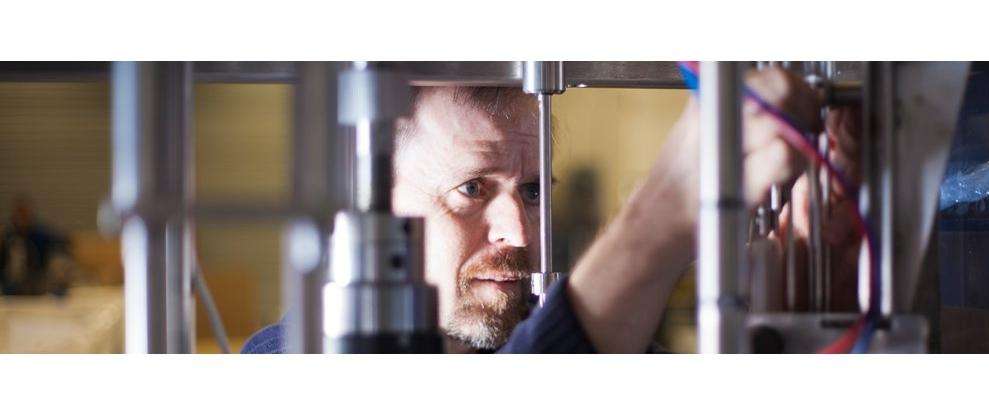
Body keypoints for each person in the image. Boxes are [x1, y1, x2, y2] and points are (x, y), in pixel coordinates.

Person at [242, 66, 860, 353]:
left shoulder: (617, 350)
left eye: (534, 191)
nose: (520, 230)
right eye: (472, 189)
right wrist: (661, 214)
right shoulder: (293, 361)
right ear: (371, 206)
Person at [0, 195, 72, 296]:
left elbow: (63, 242)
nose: (21, 219)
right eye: (19, 214)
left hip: (38, 280)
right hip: (14, 284)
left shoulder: (41, 235)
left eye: (24, 214)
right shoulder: (9, 237)